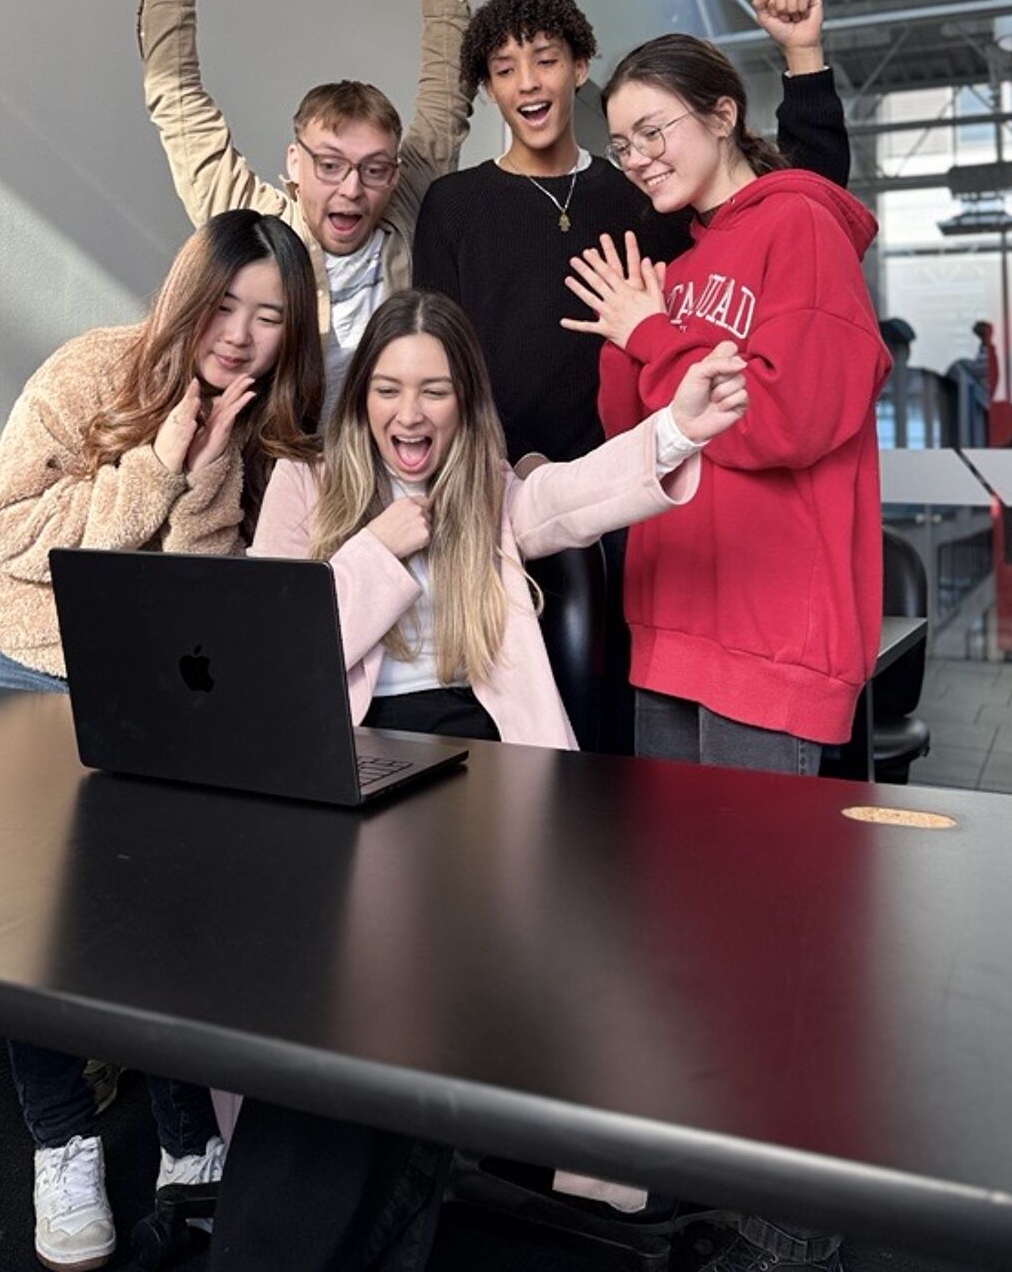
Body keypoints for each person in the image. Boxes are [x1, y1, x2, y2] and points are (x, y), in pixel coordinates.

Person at [205, 287, 750, 1271]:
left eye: (433, 391)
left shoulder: (485, 486)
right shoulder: (306, 484)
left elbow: (575, 496)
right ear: (358, 395)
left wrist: (672, 428)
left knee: (401, 980)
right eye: (386, 388)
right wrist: (377, 549)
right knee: (335, 981)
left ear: (464, 402)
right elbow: (271, 655)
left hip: (485, 773)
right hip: (349, 761)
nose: (408, 413)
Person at [0, 209, 322, 1272]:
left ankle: (187, 1142)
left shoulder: (250, 413)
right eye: (225, 303)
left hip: (120, 670)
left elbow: (185, 587)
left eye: (269, 316)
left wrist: (204, 463)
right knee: (27, 926)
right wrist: (158, 454)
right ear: (187, 292)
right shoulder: (91, 370)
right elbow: (12, 539)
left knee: (158, 903)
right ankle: (64, 1141)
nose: (239, 334)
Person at [563, 6, 889, 1272]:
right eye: (623, 141)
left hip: (773, 627)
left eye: (653, 129)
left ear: (721, 115)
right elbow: (638, 435)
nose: (636, 154)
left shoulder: (800, 228)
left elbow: (792, 414)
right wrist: (628, 336)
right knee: (691, 931)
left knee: (769, 938)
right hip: (672, 621)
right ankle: (714, 1178)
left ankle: (790, 1233)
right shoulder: (675, 254)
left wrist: (652, 337)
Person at [412, 0, 851, 466]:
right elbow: (434, 359)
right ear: (490, 90)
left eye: (546, 60)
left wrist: (804, 60)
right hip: (495, 483)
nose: (528, 81)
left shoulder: (648, 195)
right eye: (504, 69)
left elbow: (797, 200)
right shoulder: (452, 204)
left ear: (579, 69)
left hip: (637, 479)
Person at [140, 0, 474, 411]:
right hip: (277, 469)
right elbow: (177, 101)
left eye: (373, 169)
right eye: (330, 165)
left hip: (385, 463)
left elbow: (449, 88)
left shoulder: (405, 206)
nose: (351, 190)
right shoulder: (259, 227)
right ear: (295, 163)